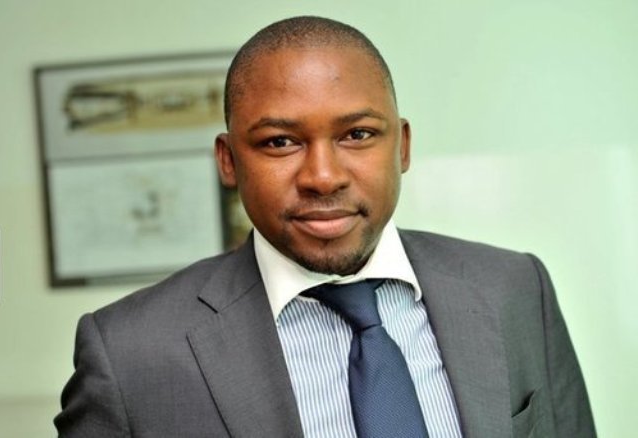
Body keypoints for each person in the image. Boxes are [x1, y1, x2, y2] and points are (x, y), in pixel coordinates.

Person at [55, 16, 596, 438]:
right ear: (228, 160)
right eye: (279, 142)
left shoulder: (513, 289)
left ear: (402, 147)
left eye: (357, 134)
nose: (322, 176)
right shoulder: (129, 354)